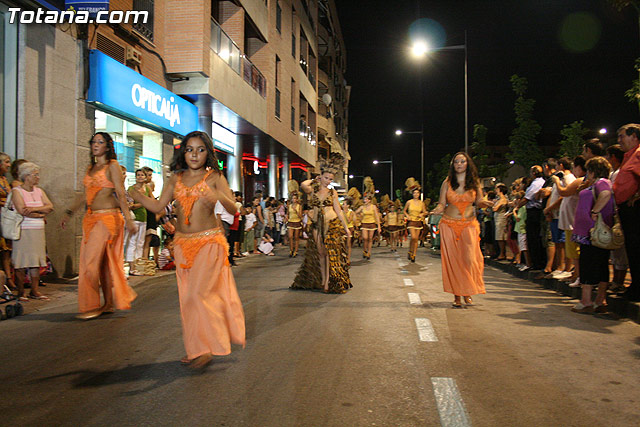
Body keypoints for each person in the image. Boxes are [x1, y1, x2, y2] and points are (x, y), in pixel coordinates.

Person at [130, 130, 245, 368]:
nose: (194, 154)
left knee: (198, 295)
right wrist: (135, 195)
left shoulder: (214, 177)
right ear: (183, 152)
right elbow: (158, 206)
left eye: (200, 150)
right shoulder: (176, 178)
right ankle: (197, 348)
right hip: (183, 244)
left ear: (207, 153)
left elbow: (233, 209)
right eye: (190, 149)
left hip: (209, 243)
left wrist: (217, 195)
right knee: (188, 299)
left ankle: (209, 346)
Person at [61, 132, 138, 320]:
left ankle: (91, 306)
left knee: (90, 264)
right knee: (102, 265)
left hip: (108, 219)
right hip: (90, 219)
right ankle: (108, 304)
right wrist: (69, 212)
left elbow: (120, 193)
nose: (96, 145)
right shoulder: (91, 168)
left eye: (100, 142)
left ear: (107, 146)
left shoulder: (112, 166)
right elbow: (84, 194)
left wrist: (128, 219)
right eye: (94, 142)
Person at [431, 152, 492, 308]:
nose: (459, 164)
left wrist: (486, 203)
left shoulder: (475, 182)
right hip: (448, 224)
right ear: (453, 165)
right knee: (453, 260)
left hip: (469, 225)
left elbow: (479, 201)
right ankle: (457, 295)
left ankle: (467, 291)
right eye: (456, 161)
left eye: (462, 161)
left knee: (469, 259)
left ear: (467, 164)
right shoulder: (447, 183)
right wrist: (437, 210)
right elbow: (441, 203)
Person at [291, 158, 352, 293]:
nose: (328, 181)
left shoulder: (332, 192)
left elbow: (339, 211)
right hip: (317, 225)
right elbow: (303, 184)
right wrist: (314, 179)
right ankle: (323, 279)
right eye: (326, 178)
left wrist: (346, 228)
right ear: (321, 177)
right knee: (321, 253)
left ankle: (328, 282)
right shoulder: (313, 190)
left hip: (332, 224)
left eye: (330, 179)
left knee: (330, 253)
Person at [570, 157, 614, 314]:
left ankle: (587, 300)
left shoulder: (602, 183)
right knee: (600, 264)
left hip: (593, 232)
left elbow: (605, 194)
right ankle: (599, 301)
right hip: (591, 232)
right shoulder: (598, 184)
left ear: (593, 171)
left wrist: (594, 211)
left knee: (589, 264)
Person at [10, 162, 54, 301]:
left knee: (36, 260)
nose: (37, 177)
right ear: (26, 176)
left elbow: (50, 206)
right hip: (23, 230)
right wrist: (41, 213)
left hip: (38, 229)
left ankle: (34, 291)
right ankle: (21, 292)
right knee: (21, 261)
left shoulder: (39, 191)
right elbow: (22, 210)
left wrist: (35, 210)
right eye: (35, 175)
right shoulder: (17, 191)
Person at [612, 124, 640, 302]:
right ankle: (635, 286)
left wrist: (637, 195)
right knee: (632, 249)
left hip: (634, 210)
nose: (619, 140)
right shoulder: (630, 155)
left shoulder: (638, 154)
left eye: (622, 136)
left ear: (634, 136)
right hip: (627, 209)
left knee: (636, 249)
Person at [553, 155, 586, 287]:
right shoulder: (577, 180)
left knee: (575, 251)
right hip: (570, 220)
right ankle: (575, 274)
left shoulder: (577, 180)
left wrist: (557, 181)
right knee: (571, 250)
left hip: (574, 220)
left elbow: (564, 192)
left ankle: (577, 275)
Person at [605, 144, 628, 292]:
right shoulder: (614, 172)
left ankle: (619, 281)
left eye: (608, 156)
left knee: (620, 249)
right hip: (613, 214)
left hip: (618, 214)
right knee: (615, 250)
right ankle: (615, 280)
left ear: (613, 157)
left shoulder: (620, 172)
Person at [517, 165, 546, 270]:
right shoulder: (541, 182)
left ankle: (536, 262)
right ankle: (535, 262)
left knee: (533, 238)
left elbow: (527, 198)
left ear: (533, 173)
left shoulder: (536, 183)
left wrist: (517, 206)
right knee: (534, 238)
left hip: (534, 211)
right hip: (535, 211)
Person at [124, 169, 150, 272]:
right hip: (134, 218)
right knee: (132, 242)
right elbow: (130, 204)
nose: (140, 177)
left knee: (140, 242)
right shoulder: (131, 189)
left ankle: (139, 266)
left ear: (145, 177)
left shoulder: (147, 188)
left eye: (142, 175)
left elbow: (152, 200)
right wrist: (143, 203)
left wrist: (143, 203)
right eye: (138, 175)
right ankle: (131, 267)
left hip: (144, 217)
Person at [0, 153, 16, 290]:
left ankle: (8, 278)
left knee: (6, 249)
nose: (9, 165)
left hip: (6, 217)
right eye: (6, 162)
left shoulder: (4, 179)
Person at [404, 188, 427, 263]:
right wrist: (407, 215)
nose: (416, 194)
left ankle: (413, 254)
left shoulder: (421, 203)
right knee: (413, 237)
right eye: (414, 193)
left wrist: (422, 214)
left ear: (419, 194)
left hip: (418, 221)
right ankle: (410, 250)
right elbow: (404, 211)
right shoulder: (409, 202)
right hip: (411, 221)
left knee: (416, 239)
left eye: (417, 193)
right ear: (412, 194)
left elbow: (425, 212)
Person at [356, 194, 381, 260]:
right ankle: (365, 250)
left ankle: (369, 252)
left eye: (366, 199)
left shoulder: (373, 207)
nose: (365, 200)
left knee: (370, 238)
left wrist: (379, 226)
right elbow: (356, 212)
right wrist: (359, 216)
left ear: (369, 200)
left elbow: (377, 216)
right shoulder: (362, 207)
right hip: (364, 223)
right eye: (364, 199)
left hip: (372, 224)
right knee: (365, 238)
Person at [492, 183, 509, 260]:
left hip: (501, 219)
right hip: (497, 218)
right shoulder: (499, 200)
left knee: (500, 236)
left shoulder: (503, 200)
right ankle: (501, 253)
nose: (496, 191)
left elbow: (495, 208)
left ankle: (502, 253)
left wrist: (492, 205)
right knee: (498, 236)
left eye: (497, 189)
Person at [286, 193, 303, 257]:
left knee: (296, 237)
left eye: (295, 198)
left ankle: (296, 250)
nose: (294, 200)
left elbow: (300, 216)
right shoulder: (289, 206)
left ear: (297, 199)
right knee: (290, 236)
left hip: (297, 222)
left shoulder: (299, 206)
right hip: (290, 221)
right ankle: (291, 250)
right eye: (293, 198)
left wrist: (296, 210)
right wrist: (286, 218)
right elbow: (287, 213)